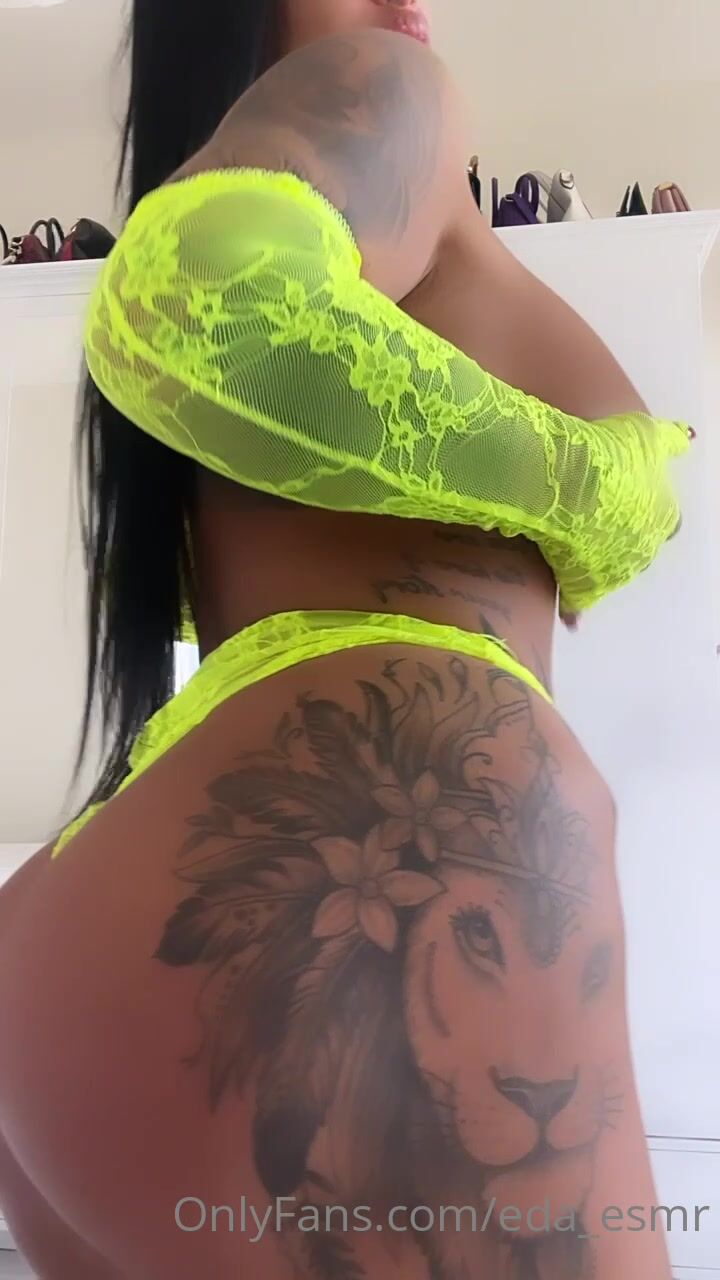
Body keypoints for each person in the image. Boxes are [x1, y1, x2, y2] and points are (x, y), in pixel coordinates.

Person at [0, 2, 690, 1277]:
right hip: (388, 871)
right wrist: (582, 484)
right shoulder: (384, 90)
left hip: (83, 929)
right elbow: (204, 300)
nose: (404, 3)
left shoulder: (361, 197)